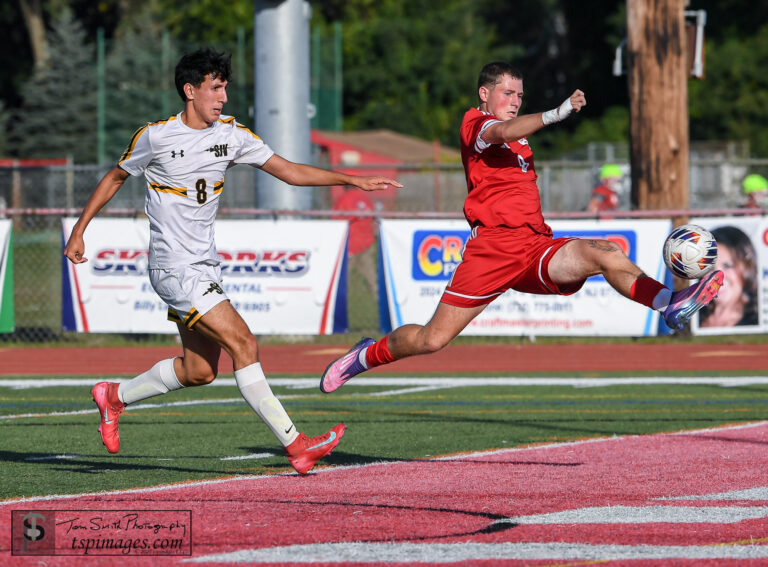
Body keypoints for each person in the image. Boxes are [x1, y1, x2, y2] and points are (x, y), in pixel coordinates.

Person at [63, 48, 401, 474]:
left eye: (225, 88)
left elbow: (289, 171)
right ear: (190, 90)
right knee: (244, 343)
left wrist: (351, 179)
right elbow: (115, 177)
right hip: (174, 267)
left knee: (199, 371)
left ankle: (114, 396)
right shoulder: (155, 137)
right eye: (215, 88)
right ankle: (296, 445)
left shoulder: (232, 135)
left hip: (204, 266)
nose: (223, 97)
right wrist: (79, 230)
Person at [319, 61, 723, 394]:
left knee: (606, 252)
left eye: (519, 96)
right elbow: (501, 131)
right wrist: (555, 114)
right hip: (492, 251)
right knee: (432, 340)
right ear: (485, 93)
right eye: (507, 93)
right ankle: (365, 356)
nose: (514, 101)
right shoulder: (475, 124)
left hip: (533, 246)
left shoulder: (519, 140)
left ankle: (669, 303)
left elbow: (513, 135)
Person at [699, 226, 758, 328]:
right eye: (709, 268)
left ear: (746, 267)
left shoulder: (755, 324)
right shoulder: (692, 318)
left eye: (727, 266)